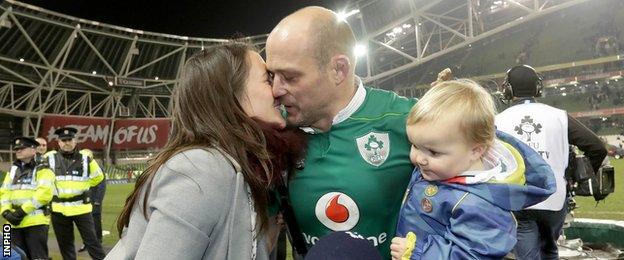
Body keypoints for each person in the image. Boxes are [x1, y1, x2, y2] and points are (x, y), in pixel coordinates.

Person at [107, 42, 306, 259]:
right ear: (230, 93)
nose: (277, 89)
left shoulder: (237, 166)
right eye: (268, 79)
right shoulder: (201, 169)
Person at [266, 6, 416, 258]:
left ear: (339, 69)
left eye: (290, 77)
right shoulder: (274, 131)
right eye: (272, 75)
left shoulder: (404, 119)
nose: (276, 90)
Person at [390, 79, 556, 259]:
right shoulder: (444, 167)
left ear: (476, 150)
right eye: (415, 145)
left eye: (433, 152)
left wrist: (418, 253)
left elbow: (473, 255)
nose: (418, 159)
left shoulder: (482, 204)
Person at [495, 65, 607, 260]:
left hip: (519, 199)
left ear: (508, 90)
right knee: (550, 251)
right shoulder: (560, 116)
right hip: (554, 198)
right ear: (538, 88)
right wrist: (581, 178)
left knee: (528, 256)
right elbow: (597, 147)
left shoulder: (498, 120)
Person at [45, 127, 106, 260]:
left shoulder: (86, 158)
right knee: (65, 246)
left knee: (92, 243)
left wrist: (84, 186)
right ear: (59, 142)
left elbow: (98, 177)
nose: (67, 143)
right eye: (63, 140)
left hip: (81, 209)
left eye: (70, 140)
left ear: (75, 141)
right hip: (59, 210)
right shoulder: (49, 158)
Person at [1, 137, 55, 260]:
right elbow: (4, 192)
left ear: (33, 150)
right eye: (16, 149)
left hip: (35, 221)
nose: (17, 151)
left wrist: (21, 212)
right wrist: (5, 212)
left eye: (21, 148)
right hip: (11, 222)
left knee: (38, 257)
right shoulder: (13, 168)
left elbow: (44, 194)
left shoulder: (43, 167)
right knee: (8, 255)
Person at [78, 149, 106, 253]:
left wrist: (98, 200)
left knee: (96, 221)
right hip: (84, 200)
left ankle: (98, 241)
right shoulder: (81, 167)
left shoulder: (97, 168)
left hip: (95, 200)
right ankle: (87, 243)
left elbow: (102, 185)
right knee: (85, 223)